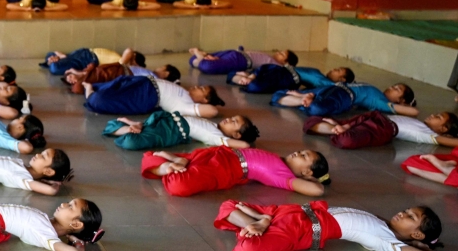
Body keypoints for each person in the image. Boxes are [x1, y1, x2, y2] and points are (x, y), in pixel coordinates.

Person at [214, 201, 444, 251]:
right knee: (228, 207)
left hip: (302, 229)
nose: (402, 214)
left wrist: (419, 247)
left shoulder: (387, 241)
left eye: (410, 218)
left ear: (416, 235)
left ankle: (261, 222)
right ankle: (262, 222)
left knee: (247, 250)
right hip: (297, 213)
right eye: (406, 211)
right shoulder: (382, 223)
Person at [142, 147, 329, 197]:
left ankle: (169, 165)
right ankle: (173, 163)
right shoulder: (279, 159)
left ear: (306, 173)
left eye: (303, 157)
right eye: (302, 151)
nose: (298, 152)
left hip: (226, 169)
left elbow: (318, 191)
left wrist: (319, 179)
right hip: (221, 155)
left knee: (180, 186)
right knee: (184, 161)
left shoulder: (285, 176)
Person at [83, 75, 223, 117]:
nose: (196, 87)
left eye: (201, 89)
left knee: (100, 100)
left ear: (204, 100)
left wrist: (205, 105)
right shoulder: (184, 92)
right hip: (143, 82)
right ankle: (89, 87)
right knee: (112, 84)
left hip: (145, 96)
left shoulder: (187, 105)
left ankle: (89, 93)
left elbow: (213, 111)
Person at [304, 111, 458, 149]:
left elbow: (451, 142)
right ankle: (337, 128)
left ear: (443, 129)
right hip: (372, 118)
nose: (432, 115)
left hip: (381, 129)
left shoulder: (429, 135)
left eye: (437, 117)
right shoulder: (420, 123)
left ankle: (337, 129)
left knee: (347, 140)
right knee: (311, 121)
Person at [105, 113, 258, 151]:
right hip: (169, 121)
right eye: (232, 118)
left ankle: (132, 125)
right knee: (136, 136)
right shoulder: (213, 125)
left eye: (234, 122)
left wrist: (247, 141)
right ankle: (135, 125)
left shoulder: (216, 137)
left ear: (236, 135)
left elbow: (244, 146)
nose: (229, 119)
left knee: (134, 141)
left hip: (172, 131)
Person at [272, 83, 419, 117]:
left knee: (278, 95)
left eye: (397, 89)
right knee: (317, 109)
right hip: (342, 94)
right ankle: (306, 100)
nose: (392, 87)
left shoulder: (380, 101)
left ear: (401, 100)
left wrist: (402, 106)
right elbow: (414, 111)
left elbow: (413, 111)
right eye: (395, 85)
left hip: (334, 90)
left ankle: (302, 99)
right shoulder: (378, 96)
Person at [227, 65, 353, 94]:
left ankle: (247, 78)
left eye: (337, 71)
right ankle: (249, 76)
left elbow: (340, 88)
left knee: (256, 85)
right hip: (283, 70)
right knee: (263, 69)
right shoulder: (318, 72)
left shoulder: (328, 83)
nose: (333, 70)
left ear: (342, 79)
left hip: (288, 78)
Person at [189, 47, 297, 75]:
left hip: (240, 59)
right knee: (202, 65)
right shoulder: (271, 59)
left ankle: (204, 56)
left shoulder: (277, 65)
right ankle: (207, 58)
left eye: (282, 54)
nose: (278, 53)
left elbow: (289, 70)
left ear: (286, 62)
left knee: (195, 62)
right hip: (238, 55)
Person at [42, 47, 138, 75]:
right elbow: (129, 50)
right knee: (55, 68)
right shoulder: (120, 61)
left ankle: (58, 57)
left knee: (49, 55)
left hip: (84, 54)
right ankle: (58, 59)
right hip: (88, 58)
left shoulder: (119, 61)